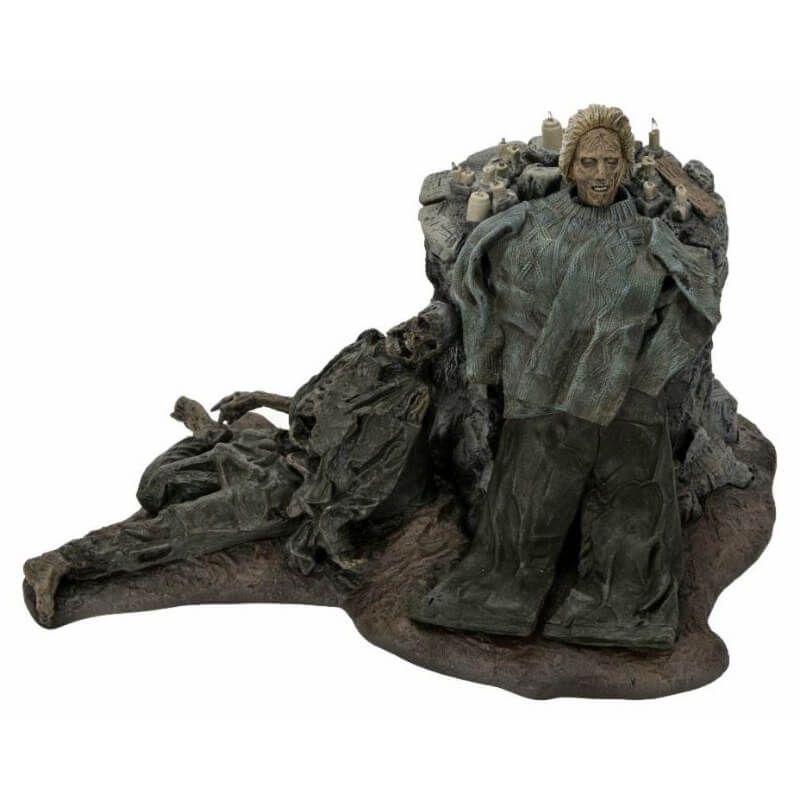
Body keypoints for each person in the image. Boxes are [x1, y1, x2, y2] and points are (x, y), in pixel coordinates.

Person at [409, 105, 721, 649]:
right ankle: (505, 593)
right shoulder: (530, 222)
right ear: (570, 165)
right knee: (529, 490)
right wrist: (490, 356)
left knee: (631, 490)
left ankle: (622, 606)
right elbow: (471, 274)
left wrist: (649, 374)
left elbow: (701, 297)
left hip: (623, 393)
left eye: (611, 162)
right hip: (540, 388)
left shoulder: (647, 233)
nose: (600, 174)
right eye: (589, 162)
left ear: (626, 166)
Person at [24, 306, 455, 625]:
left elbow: (374, 474)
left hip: (291, 491)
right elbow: (312, 403)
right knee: (157, 486)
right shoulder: (366, 347)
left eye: (429, 342)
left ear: (431, 357)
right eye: (418, 324)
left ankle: (63, 560)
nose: (414, 337)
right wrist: (259, 397)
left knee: (181, 527)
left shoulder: (409, 398)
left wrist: (333, 529)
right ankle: (210, 435)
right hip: (273, 449)